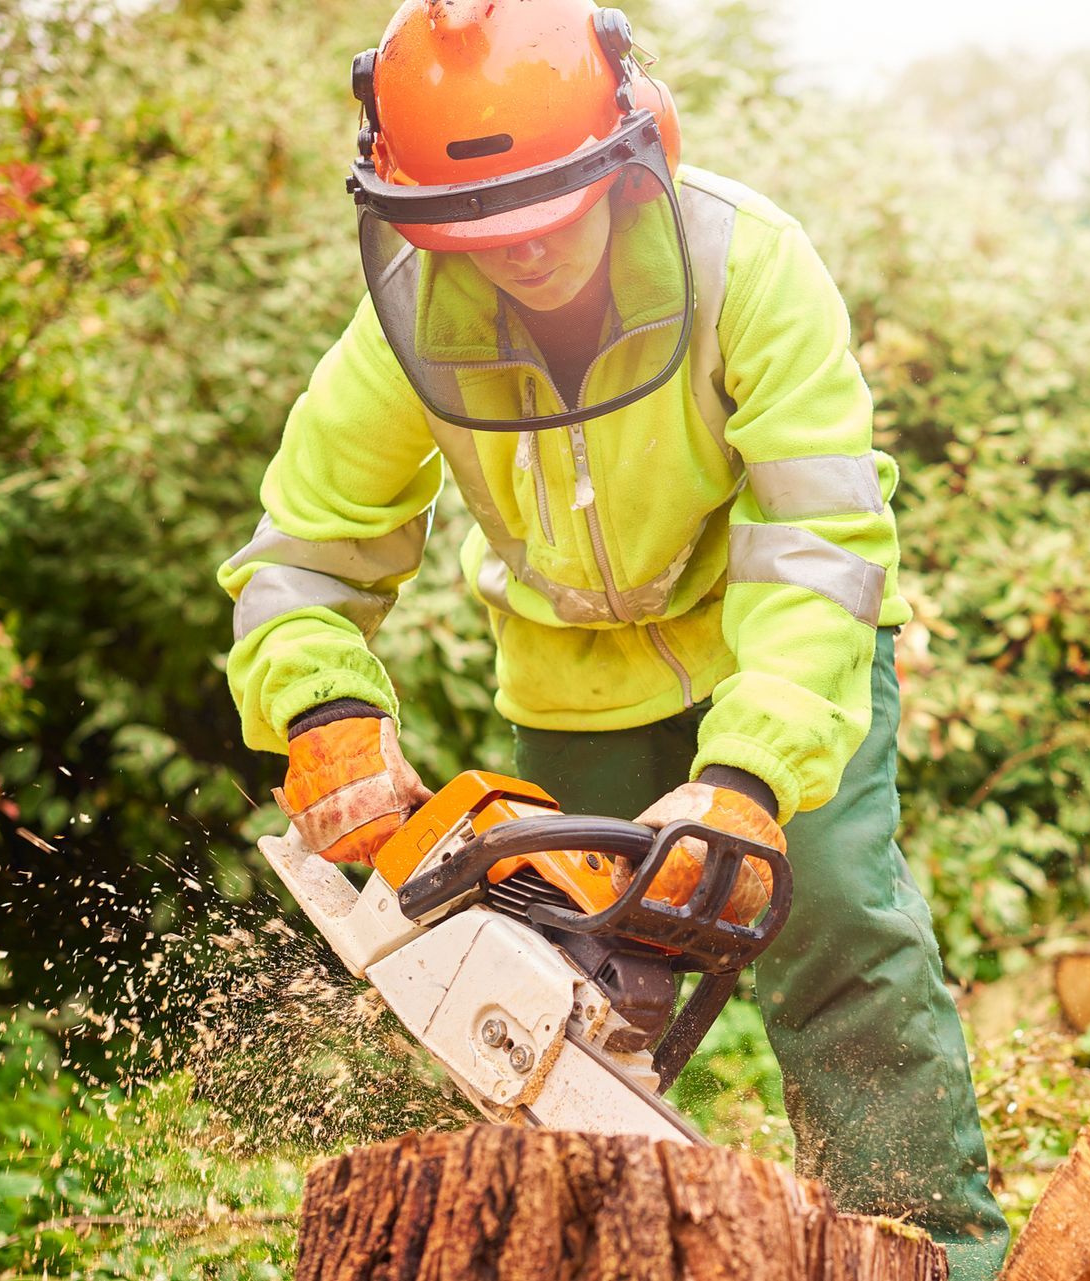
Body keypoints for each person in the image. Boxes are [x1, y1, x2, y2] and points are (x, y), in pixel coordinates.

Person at [216, 0, 1009, 1273]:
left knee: (839, 928)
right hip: (574, 677)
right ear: (410, 212)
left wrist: (749, 780)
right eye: (474, 233)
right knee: (558, 982)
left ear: (633, 153)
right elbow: (303, 549)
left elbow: (819, 549)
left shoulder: (750, 265)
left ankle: (937, 1250)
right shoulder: (411, 320)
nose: (518, 255)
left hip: (773, 654)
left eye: (547, 216)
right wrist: (322, 712)